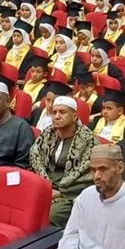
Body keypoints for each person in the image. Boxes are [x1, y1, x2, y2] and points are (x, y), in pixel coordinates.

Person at [29, 95, 98, 226]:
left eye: (62, 112)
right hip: (44, 186)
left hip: (70, 194)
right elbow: (36, 157)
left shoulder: (88, 140)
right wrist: (44, 186)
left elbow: (88, 176)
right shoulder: (48, 133)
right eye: (54, 112)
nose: (57, 116)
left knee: (48, 214)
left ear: (74, 116)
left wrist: (60, 192)